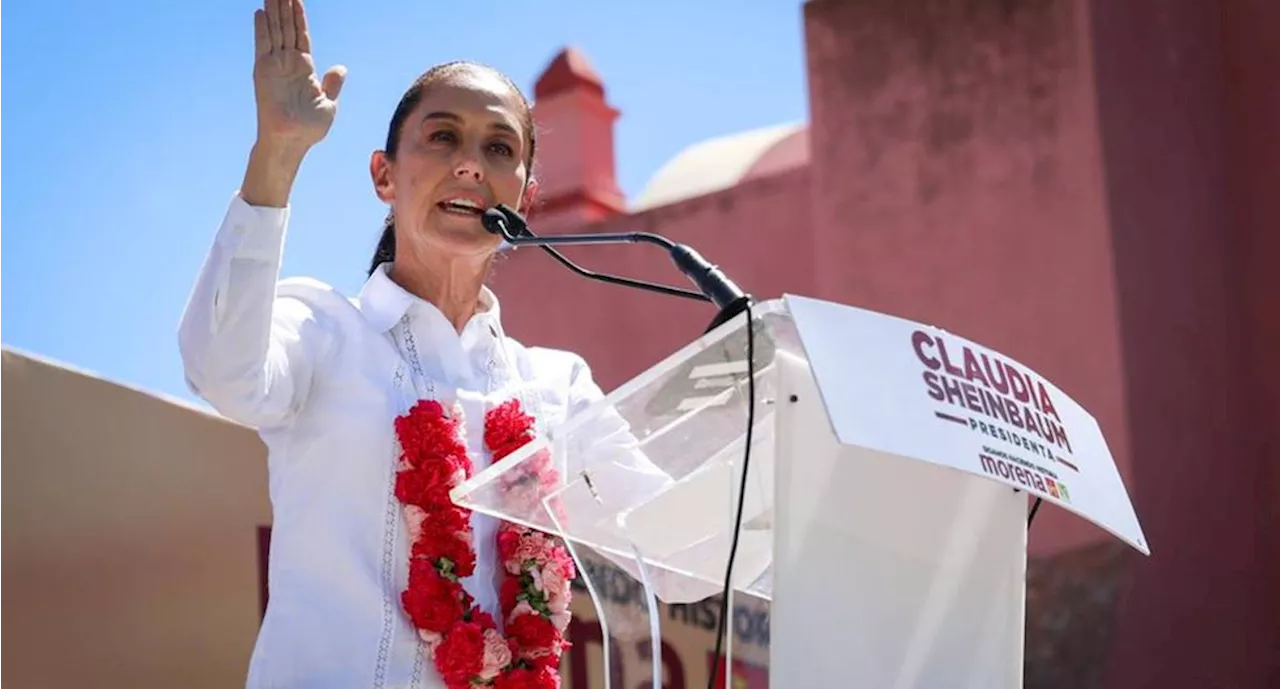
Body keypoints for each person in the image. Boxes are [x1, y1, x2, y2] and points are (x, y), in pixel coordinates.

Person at [178, 1, 680, 687]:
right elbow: (220, 369)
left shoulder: (556, 387)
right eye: (443, 138)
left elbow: (677, 552)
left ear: (525, 198)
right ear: (384, 176)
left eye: (498, 148)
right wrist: (279, 152)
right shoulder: (323, 328)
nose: (471, 165)